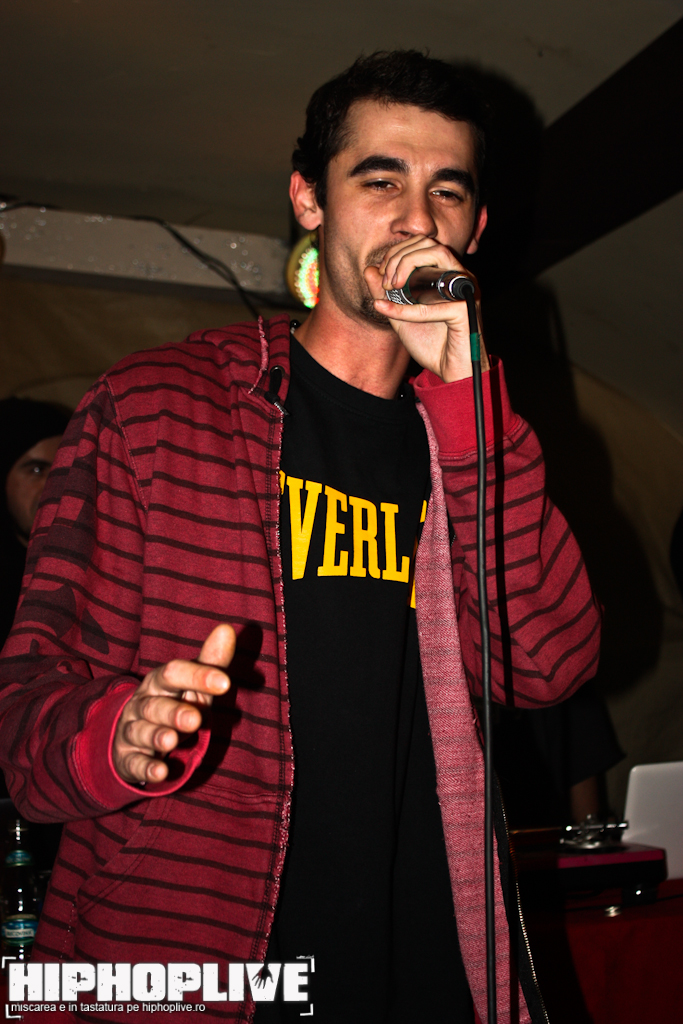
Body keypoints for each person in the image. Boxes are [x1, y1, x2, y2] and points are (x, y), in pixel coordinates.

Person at [0, 52, 600, 1024]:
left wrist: (465, 394)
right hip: (204, 970)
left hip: (424, 970)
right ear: (308, 199)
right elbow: (27, 721)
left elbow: (547, 665)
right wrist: (120, 731)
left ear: (475, 229)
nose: (415, 219)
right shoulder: (157, 408)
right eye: (379, 180)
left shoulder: (470, 434)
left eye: (446, 191)